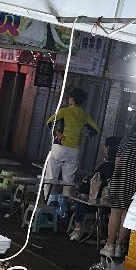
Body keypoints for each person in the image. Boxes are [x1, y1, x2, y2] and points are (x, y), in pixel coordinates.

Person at [101, 122, 136, 257]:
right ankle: (119, 247)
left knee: (115, 212)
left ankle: (109, 246)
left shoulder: (125, 140)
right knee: (128, 214)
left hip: (120, 178)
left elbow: (117, 162)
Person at [45, 87, 98, 215]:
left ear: (73, 99)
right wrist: (83, 135)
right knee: (68, 182)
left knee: (51, 177)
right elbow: (95, 129)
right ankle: (62, 211)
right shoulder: (83, 115)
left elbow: (50, 121)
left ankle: (48, 205)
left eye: (70, 97)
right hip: (74, 150)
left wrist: (57, 133)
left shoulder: (64, 111)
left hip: (59, 147)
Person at [69, 136, 120, 242]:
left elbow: (92, 183)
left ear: (108, 149)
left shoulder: (104, 167)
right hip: (113, 206)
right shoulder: (119, 168)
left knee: (81, 204)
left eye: (105, 146)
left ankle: (78, 230)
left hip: (99, 204)